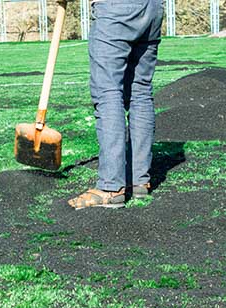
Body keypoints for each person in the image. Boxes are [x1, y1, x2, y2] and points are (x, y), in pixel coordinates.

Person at [68, 0, 164, 209]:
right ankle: (139, 180)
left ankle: (110, 187)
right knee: (140, 90)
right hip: (153, 8)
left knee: (107, 91)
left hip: (116, 8)